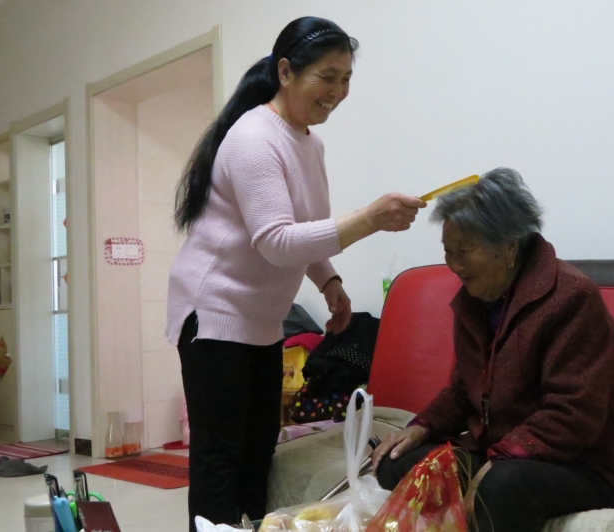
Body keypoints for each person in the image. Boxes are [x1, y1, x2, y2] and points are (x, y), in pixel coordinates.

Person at [165, 16, 426, 530]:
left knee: (258, 450)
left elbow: (303, 229)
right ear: (285, 72)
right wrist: (370, 219)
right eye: (327, 77)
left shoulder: (309, 144)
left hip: (260, 322)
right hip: (214, 315)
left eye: (346, 79)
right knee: (220, 457)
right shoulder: (253, 137)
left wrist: (329, 283)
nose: (338, 92)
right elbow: (277, 241)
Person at [371, 168, 614, 532]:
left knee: (501, 488)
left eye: (465, 251)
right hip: (502, 452)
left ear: (509, 246)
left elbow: (573, 414)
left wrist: (500, 460)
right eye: (448, 251)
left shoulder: (572, 298)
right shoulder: (475, 299)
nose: (455, 266)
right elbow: (463, 392)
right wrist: (421, 427)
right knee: (397, 464)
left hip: (584, 461)